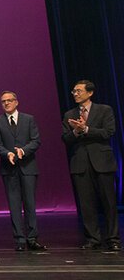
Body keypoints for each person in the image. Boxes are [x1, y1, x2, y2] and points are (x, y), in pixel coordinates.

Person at [62, 80, 120, 251]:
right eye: (73, 91)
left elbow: (108, 132)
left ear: (90, 92)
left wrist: (86, 129)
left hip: (102, 162)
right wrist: (76, 131)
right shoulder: (69, 114)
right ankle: (92, 238)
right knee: (86, 204)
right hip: (80, 163)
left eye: (79, 91)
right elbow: (65, 139)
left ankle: (113, 239)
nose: (75, 94)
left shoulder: (104, 110)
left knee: (109, 203)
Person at [0, 91, 47, 251]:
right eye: (3, 101)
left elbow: (36, 140)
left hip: (28, 167)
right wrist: (7, 153)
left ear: (16, 102)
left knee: (30, 203)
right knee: (14, 205)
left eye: (9, 100)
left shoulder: (29, 119)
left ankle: (32, 238)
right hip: (8, 169)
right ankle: (20, 240)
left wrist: (23, 150)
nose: (6, 103)